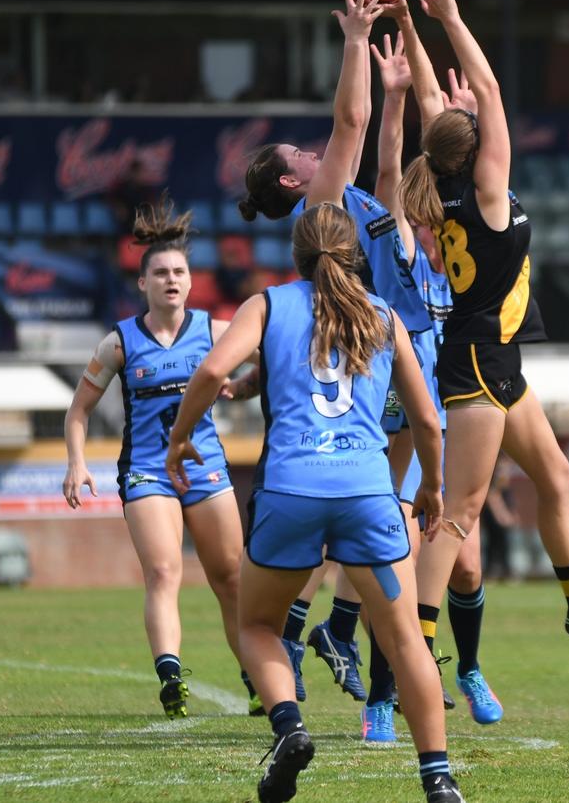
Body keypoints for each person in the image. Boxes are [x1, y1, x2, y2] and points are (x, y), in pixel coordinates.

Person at [165, 200, 467, 803]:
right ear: (353, 253)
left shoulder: (268, 303)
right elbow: (428, 422)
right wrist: (432, 486)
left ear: (295, 252)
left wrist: (179, 440)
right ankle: (437, 777)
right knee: (405, 637)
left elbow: (208, 374)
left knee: (256, 625)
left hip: (290, 492)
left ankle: (290, 729)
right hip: (368, 493)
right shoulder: (382, 315)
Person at [396, 0, 569, 643]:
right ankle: (416, 640)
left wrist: (409, 25)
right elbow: (491, 90)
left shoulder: (446, 181)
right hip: (479, 360)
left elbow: (429, 103)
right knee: (460, 511)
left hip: (493, 359)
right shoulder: (486, 196)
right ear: (478, 152)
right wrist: (446, 15)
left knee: (555, 474)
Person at [238, 0, 433, 709]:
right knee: (383, 518)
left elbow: (383, 161)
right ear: (295, 180)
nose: (317, 151)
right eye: (304, 154)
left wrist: (398, 95)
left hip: (384, 351)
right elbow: (349, 122)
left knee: (373, 524)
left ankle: (306, 638)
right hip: (374, 366)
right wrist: (355, 37)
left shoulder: (348, 206)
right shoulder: (322, 204)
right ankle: (335, 652)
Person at [355, 27, 501, 740]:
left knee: (467, 565)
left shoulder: (464, 244)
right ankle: (382, 692)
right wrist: (395, 100)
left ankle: (467, 668)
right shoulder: (402, 248)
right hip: (401, 404)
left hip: (455, 397)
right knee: (400, 554)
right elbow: (388, 172)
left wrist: (457, 118)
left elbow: (464, 162)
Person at [62, 197, 258, 719]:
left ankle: (256, 677)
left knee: (232, 577)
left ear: (192, 282)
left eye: (180, 272)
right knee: (165, 570)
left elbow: (277, 358)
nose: (172, 279)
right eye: (161, 273)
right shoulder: (119, 343)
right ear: (143, 283)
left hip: (206, 467)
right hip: (148, 470)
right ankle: (171, 675)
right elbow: (78, 410)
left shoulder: (217, 332)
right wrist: (77, 462)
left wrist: (246, 386)